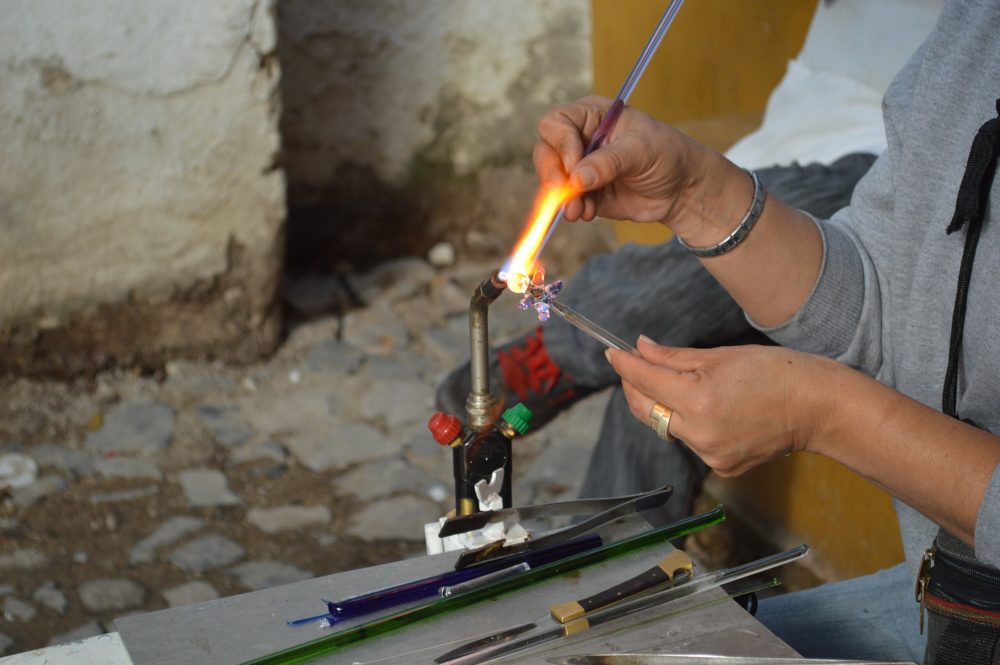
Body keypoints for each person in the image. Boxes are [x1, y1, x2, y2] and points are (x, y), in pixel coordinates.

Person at [526, 1, 1000, 662]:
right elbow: (877, 299)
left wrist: (819, 412)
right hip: (950, 589)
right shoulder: (975, 30)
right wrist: (694, 192)